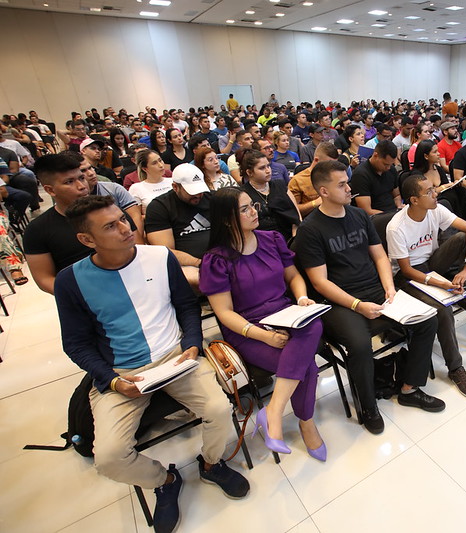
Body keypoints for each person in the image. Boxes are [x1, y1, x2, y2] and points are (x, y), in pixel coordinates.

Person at [54, 195, 249, 533]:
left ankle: (211, 464)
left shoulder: (159, 257)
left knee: (220, 410)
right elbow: (75, 343)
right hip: (122, 372)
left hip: (175, 355)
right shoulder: (71, 280)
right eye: (110, 226)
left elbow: (186, 306)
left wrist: (190, 344)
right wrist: (112, 381)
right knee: (109, 457)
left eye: (123, 219)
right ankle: (165, 480)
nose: (126, 228)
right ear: (87, 239)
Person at [293, 160, 443, 435]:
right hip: (338, 301)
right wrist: (357, 305)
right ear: (323, 191)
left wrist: (389, 288)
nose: (349, 188)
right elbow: (319, 282)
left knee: (426, 320)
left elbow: (379, 255)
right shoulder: (311, 229)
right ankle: (368, 406)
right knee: (360, 345)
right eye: (341, 185)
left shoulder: (359, 216)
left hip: (374, 288)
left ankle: (409, 388)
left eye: (347, 182)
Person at [200, 187, 325, 460]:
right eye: (244, 209)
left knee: (313, 324)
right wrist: (264, 336)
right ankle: (306, 423)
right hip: (247, 328)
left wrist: (302, 298)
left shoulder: (271, 239)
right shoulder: (217, 259)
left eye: (252, 205)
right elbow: (224, 313)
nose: (253, 212)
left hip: (284, 313)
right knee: (306, 368)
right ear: (226, 219)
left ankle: (272, 413)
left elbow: (293, 277)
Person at [386, 174, 466, 398]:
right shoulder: (396, 228)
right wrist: (440, 283)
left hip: (431, 263)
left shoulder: (435, 209)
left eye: (434, 189)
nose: (436, 193)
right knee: (442, 309)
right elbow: (406, 270)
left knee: (462, 238)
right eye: (429, 191)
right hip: (408, 277)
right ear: (414, 200)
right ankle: (456, 368)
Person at [23, 154, 93, 294]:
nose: (81, 186)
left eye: (81, 178)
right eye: (69, 182)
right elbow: (44, 279)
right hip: (81, 295)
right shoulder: (38, 230)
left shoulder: (110, 211)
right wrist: (82, 295)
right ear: (50, 190)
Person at [144, 163, 212, 286]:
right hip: (189, 265)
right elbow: (166, 251)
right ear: (175, 187)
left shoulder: (211, 198)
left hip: (220, 259)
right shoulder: (160, 207)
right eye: (191, 192)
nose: (198, 195)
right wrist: (200, 263)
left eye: (200, 190)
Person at [239, 149, 301, 241]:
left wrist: (296, 239)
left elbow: (296, 215)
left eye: (268, 166)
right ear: (249, 172)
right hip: (260, 241)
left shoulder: (280, 185)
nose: (268, 171)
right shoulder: (243, 194)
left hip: (288, 237)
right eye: (262, 168)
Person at [350, 140, 401, 215]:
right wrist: (390, 216)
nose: (388, 168)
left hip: (393, 212)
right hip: (376, 217)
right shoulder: (361, 174)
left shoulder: (391, 170)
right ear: (375, 155)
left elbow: (396, 195)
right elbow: (366, 210)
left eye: (391, 164)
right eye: (385, 164)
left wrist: (399, 206)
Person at [128, 149, 174, 216]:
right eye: (154, 163)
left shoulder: (173, 181)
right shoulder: (136, 188)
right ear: (144, 168)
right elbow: (137, 218)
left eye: (160, 160)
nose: (161, 165)